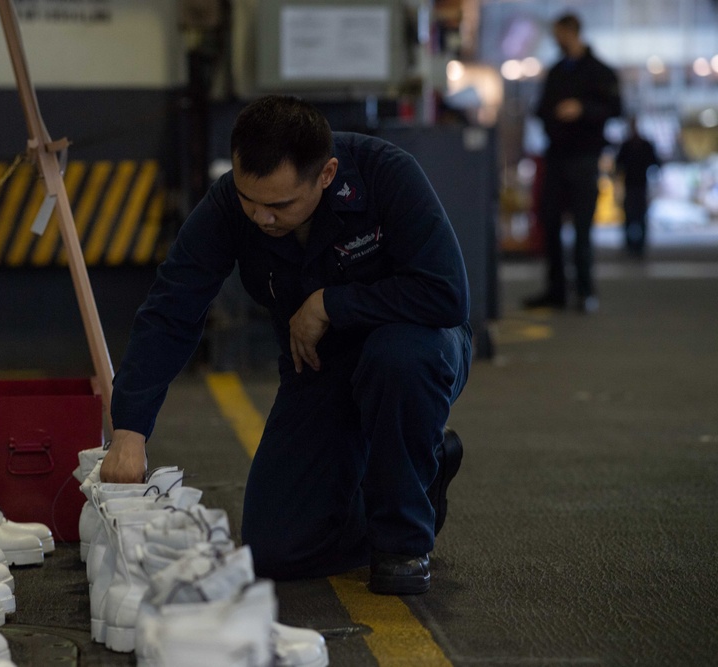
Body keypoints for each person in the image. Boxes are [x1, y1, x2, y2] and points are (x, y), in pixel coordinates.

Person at [99, 95, 472, 595]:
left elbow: (446, 293)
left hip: (417, 351)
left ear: (326, 173)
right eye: (249, 200)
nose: (261, 218)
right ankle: (417, 472)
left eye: (279, 205)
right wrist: (130, 428)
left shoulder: (387, 175)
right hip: (318, 365)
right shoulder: (232, 204)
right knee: (275, 551)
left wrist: (331, 304)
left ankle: (404, 542)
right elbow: (172, 309)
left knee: (398, 359)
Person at [525, 12, 622, 313]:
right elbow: (540, 108)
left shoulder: (600, 72)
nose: (556, 40)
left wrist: (582, 110)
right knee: (550, 221)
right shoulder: (556, 72)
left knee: (582, 227)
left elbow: (615, 108)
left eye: (559, 33)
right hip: (556, 156)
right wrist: (552, 116)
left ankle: (584, 290)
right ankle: (556, 290)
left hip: (584, 157)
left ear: (572, 32)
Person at [614, 117, 660, 257]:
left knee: (640, 216)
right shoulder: (627, 145)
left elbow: (655, 162)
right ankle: (630, 244)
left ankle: (639, 246)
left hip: (640, 185)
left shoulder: (643, 145)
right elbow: (618, 165)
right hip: (630, 185)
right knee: (629, 216)